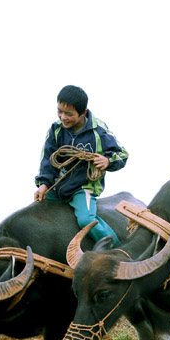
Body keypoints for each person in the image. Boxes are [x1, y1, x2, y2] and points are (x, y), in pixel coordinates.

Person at [34, 85, 128, 246]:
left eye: (69, 114)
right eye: (60, 111)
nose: (63, 117)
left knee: (86, 220)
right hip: (57, 187)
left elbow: (122, 154)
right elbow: (47, 160)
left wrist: (107, 161)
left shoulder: (98, 130)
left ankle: (117, 249)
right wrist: (43, 184)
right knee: (35, 213)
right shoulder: (56, 130)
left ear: (83, 112)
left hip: (82, 187)